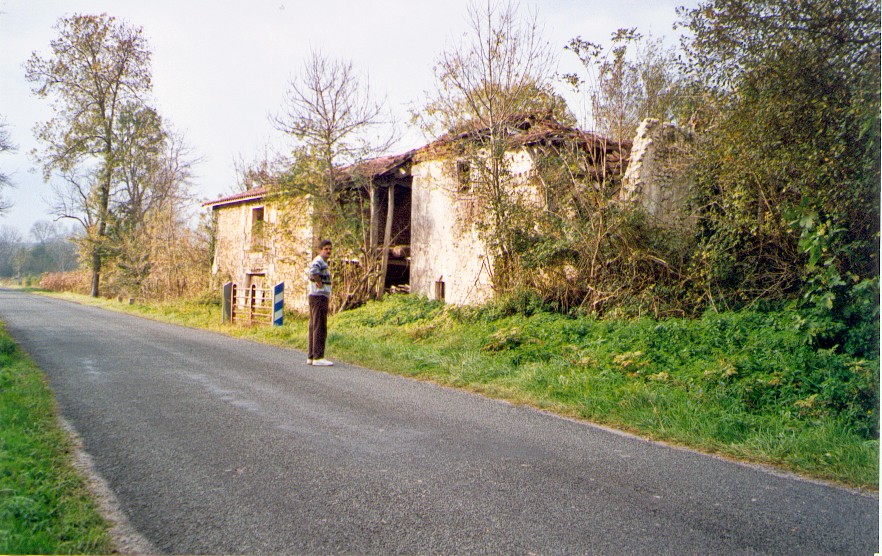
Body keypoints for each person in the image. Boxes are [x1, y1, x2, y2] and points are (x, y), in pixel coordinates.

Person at [307, 239, 334, 366]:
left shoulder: (322, 262)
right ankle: (318, 357)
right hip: (319, 297)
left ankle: (311, 356)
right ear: (320, 250)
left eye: (330, 249)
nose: (328, 251)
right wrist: (318, 282)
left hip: (315, 297)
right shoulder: (319, 261)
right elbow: (313, 271)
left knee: (314, 325)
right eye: (326, 249)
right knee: (320, 326)